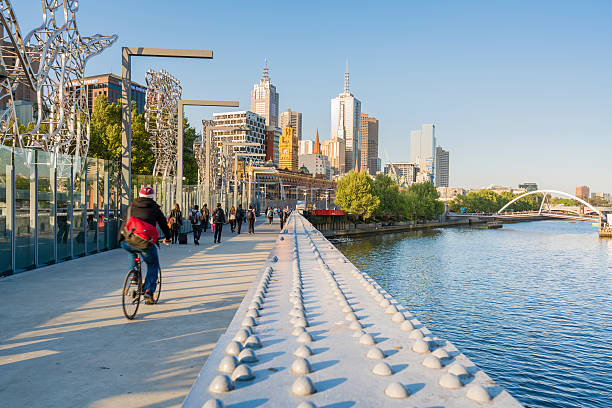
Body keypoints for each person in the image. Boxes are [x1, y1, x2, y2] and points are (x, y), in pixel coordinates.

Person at [119, 186, 171, 304]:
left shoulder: (130, 206)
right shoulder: (155, 208)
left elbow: (124, 222)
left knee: (132, 249)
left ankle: (133, 276)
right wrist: (168, 238)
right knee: (153, 264)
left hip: (127, 240)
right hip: (145, 243)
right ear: (152, 197)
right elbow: (163, 224)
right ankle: (148, 291)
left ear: (139, 195)